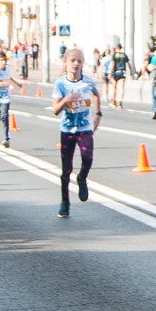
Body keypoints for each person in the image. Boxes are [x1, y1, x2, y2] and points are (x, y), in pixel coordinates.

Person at [50, 48, 101, 218]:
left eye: (79, 61)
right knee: (66, 169)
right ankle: (65, 202)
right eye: (73, 60)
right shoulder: (60, 84)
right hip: (67, 129)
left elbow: (96, 94)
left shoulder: (88, 81)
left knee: (88, 157)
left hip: (84, 127)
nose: (76, 64)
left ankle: (82, 178)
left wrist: (98, 114)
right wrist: (66, 100)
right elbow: (55, 110)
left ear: (83, 63)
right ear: (66, 62)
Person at [0, 51, 23, 147]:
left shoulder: (6, 69)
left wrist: (17, 83)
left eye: (4, 60)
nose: (3, 62)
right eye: (1, 60)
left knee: (5, 116)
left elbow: (8, 77)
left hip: (5, 95)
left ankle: (7, 138)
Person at [108, 43, 133, 109]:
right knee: (121, 88)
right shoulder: (124, 55)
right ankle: (120, 103)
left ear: (116, 48)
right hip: (122, 72)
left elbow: (112, 63)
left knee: (114, 87)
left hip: (116, 72)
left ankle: (113, 101)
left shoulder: (114, 55)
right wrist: (131, 71)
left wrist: (110, 73)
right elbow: (129, 63)